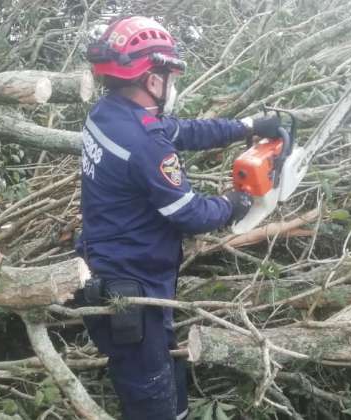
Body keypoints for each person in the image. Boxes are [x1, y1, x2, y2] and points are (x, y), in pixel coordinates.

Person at [74, 15, 282, 420]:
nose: (171, 83)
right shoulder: (146, 143)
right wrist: (234, 204)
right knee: (150, 399)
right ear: (153, 78)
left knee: (155, 373)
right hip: (131, 290)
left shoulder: (109, 114)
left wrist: (247, 127)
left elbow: (182, 131)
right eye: (169, 73)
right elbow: (188, 213)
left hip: (108, 265)